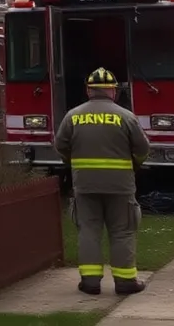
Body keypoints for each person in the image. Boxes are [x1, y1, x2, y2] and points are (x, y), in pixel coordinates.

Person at [53, 67, 151, 297]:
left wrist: (73, 162)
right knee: (122, 232)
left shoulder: (73, 116)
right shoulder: (126, 117)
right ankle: (125, 282)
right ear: (113, 92)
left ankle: (90, 283)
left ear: (89, 91)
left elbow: (60, 146)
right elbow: (142, 149)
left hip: (85, 185)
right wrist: (134, 165)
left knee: (88, 230)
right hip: (120, 186)